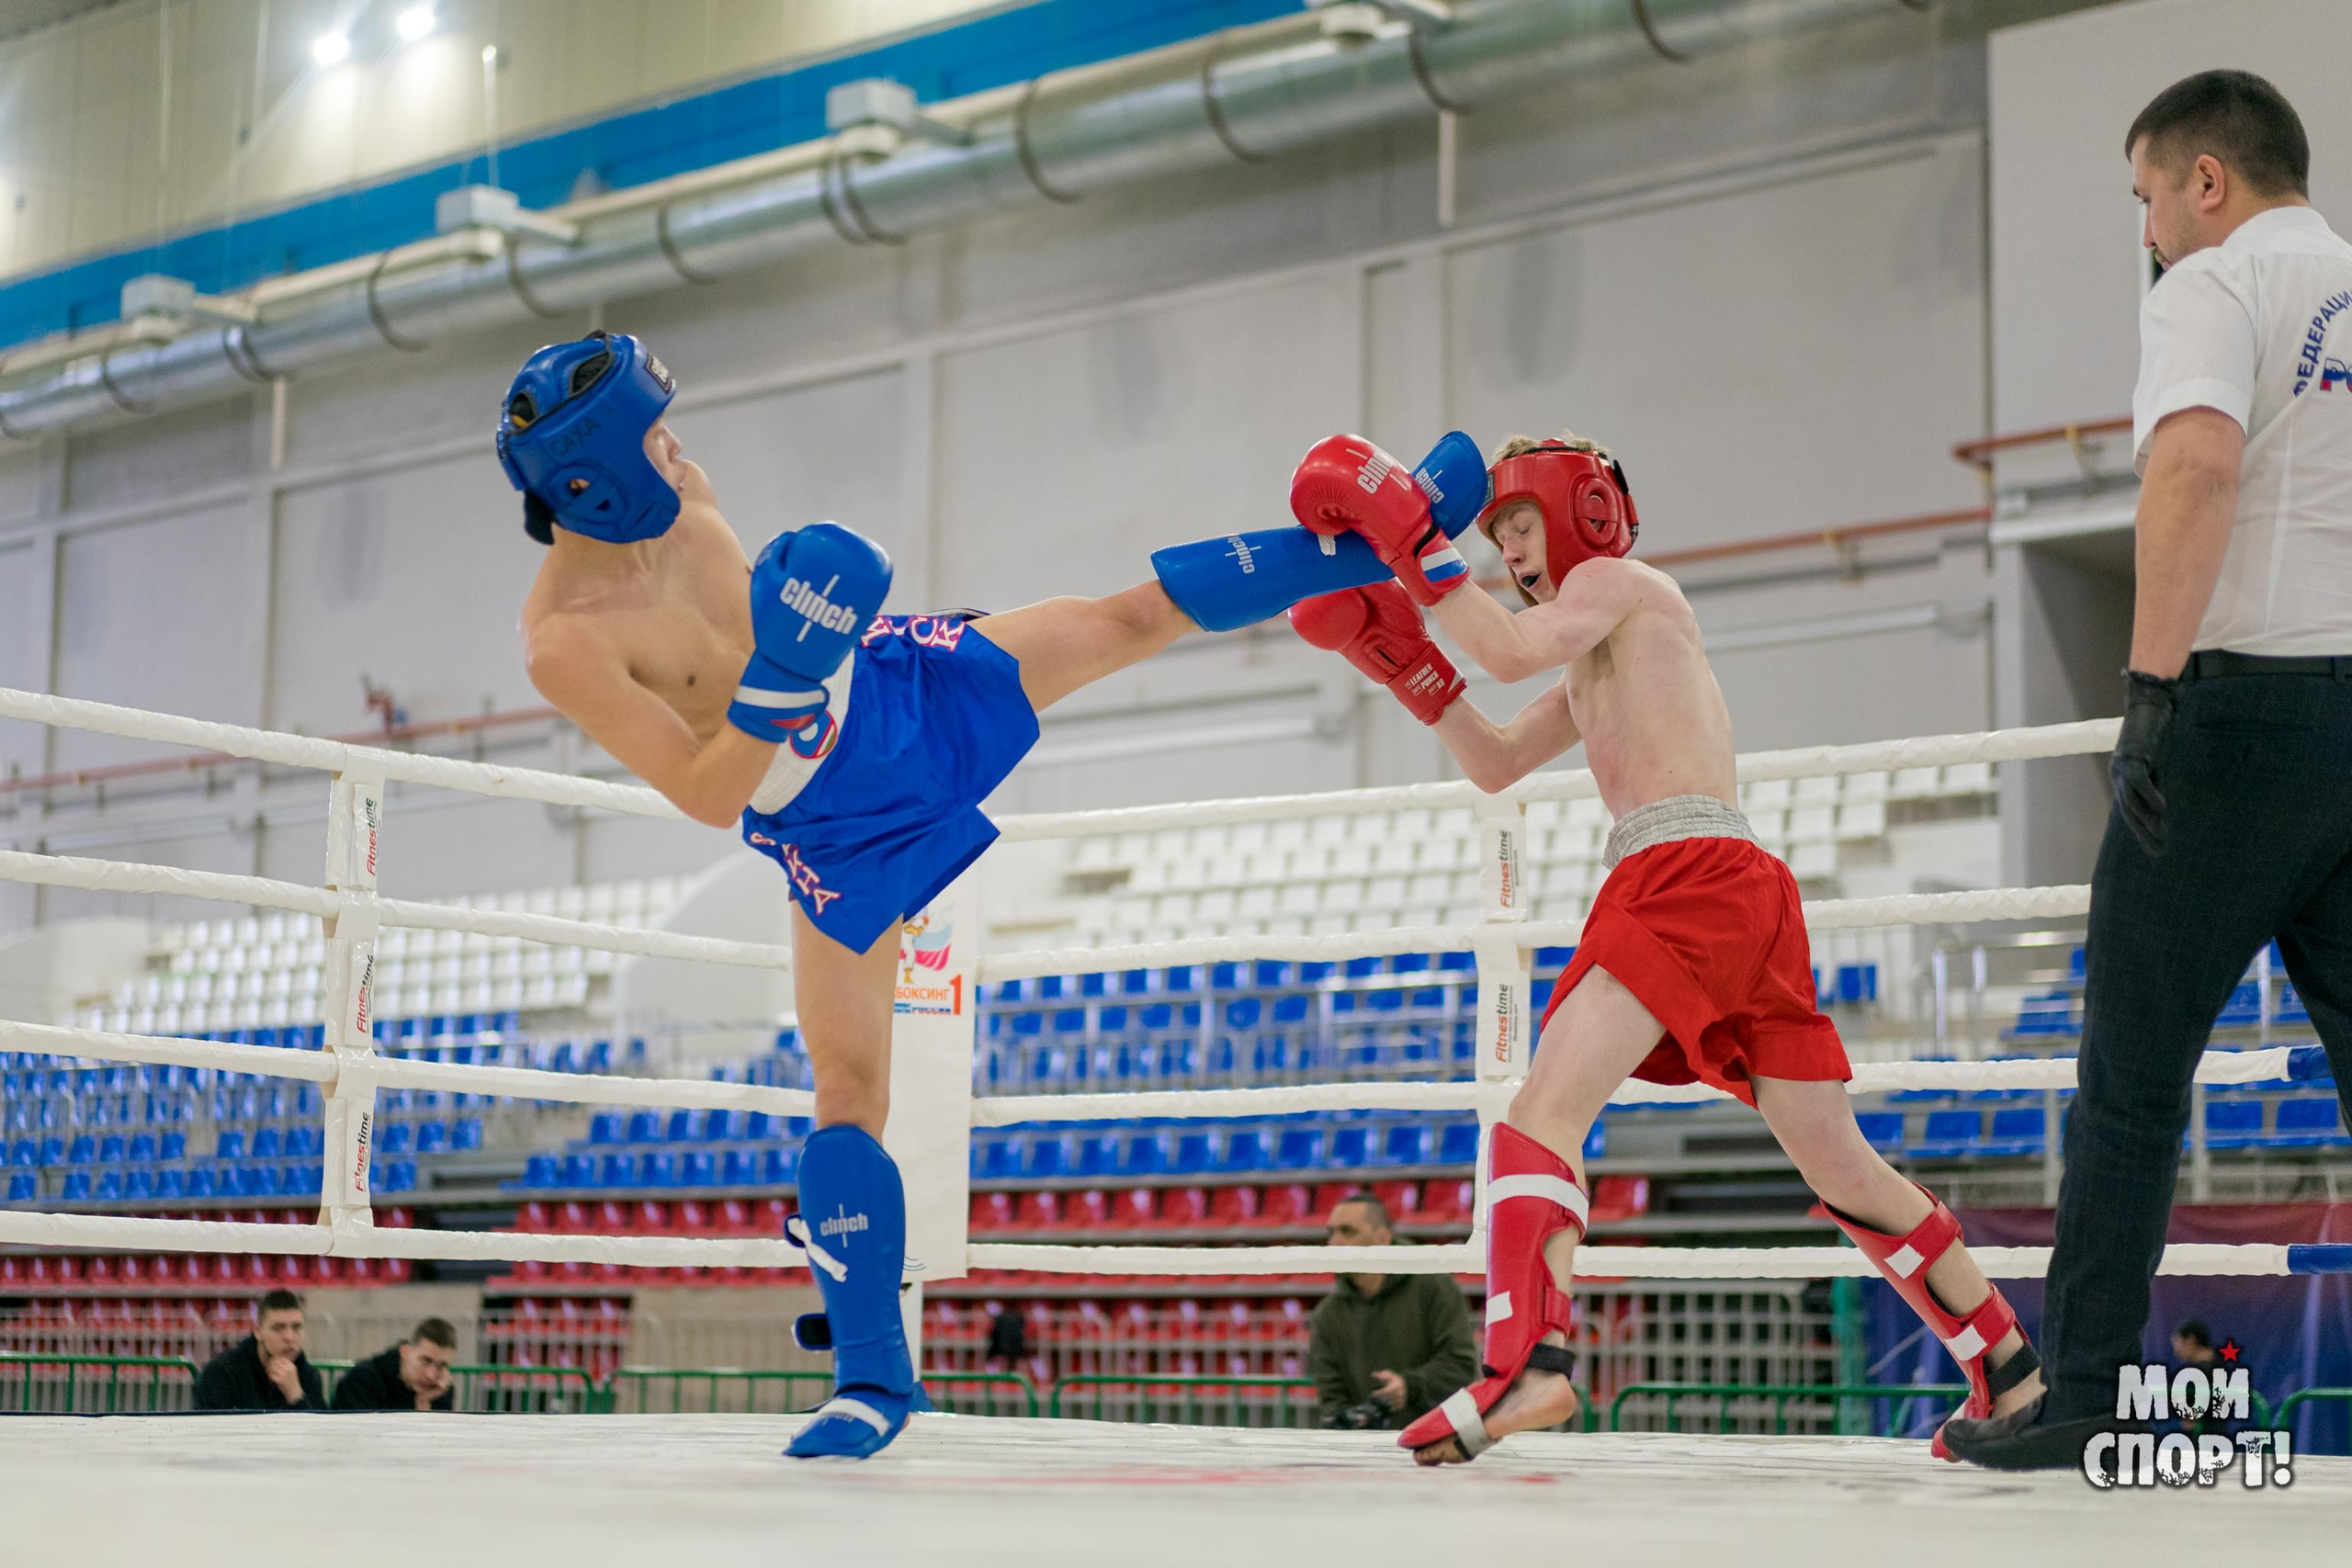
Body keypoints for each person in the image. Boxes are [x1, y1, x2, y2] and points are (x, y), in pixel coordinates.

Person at [498, 332, 1490, 1458]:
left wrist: (802, 658)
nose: (675, 450)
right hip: (824, 819)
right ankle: (869, 1383)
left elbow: (803, 630)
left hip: (892, 681)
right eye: (650, 435)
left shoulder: (684, 493)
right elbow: (705, 793)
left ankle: (1389, 546)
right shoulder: (561, 643)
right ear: (592, 472)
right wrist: (775, 685)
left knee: (1122, 616)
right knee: (846, 1086)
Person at [1284, 431, 2046, 1465]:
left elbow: (1506, 647)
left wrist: (1413, 542)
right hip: (1738, 890)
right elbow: (1498, 762)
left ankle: (1531, 1365)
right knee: (1842, 1167)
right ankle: (2008, 1369)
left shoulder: (1622, 583)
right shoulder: (1591, 644)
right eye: (1497, 537)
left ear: (1579, 513)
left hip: (1685, 872)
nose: (1510, 553)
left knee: (1541, 1112)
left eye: (1519, 525)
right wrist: (1403, 667)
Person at [1945, 71, 2352, 1472]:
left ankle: (2087, 1389)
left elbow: (2193, 469)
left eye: (2144, 197)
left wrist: (2153, 691)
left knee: (2128, 1072)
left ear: (2207, 182)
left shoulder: (2214, 286)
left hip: (2239, 721)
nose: (2147, 230)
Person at [1307, 1191, 1476, 1430]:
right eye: (1331, 1233)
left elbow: (1460, 1366)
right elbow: (1332, 1399)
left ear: (1383, 1237)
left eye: (1347, 1232)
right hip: (1368, 1454)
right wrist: (1351, 1419)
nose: (1334, 1242)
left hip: (1442, 1441)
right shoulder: (1327, 1314)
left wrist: (1410, 1386)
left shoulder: (1434, 1286)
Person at [194, 1290, 323, 1412]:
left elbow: (320, 1433)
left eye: (297, 1327)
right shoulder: (222, 1372)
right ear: (258, 1331)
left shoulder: (310, 1376)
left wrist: (296, 1396)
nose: (289, 1337)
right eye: (278, 1328)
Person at [329, 1318, 458, 1412]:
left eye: (441, 1365)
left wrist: (423, 1403)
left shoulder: (440, 1390)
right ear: (405, 1351)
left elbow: (436, 1445)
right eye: (425, 1361)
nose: (431, 1375)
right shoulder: (362, 1380)